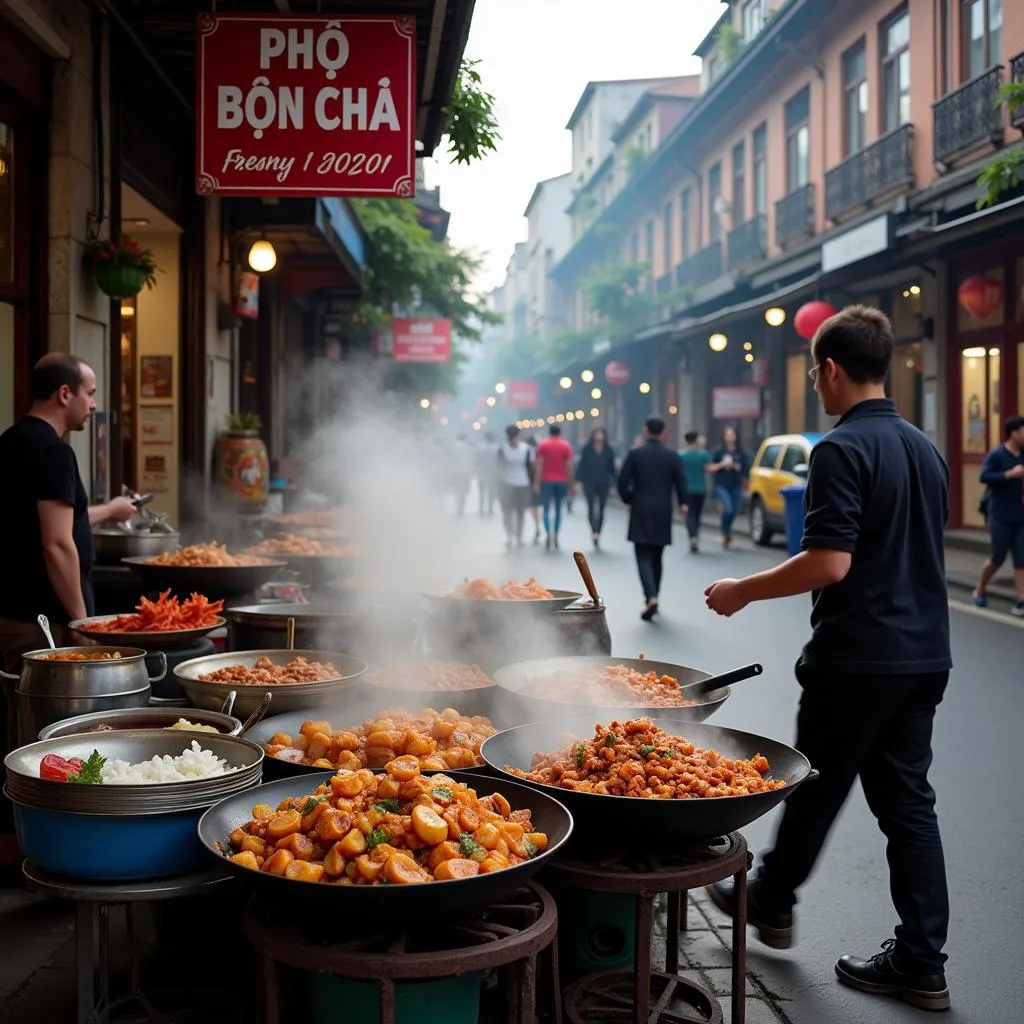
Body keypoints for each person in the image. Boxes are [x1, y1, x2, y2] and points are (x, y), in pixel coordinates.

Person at [704, 306, 952, 1013]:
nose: (817, 385)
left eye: (817, 373)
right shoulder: (924, 448)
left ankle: (774, 900)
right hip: (924, 656)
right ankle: (921, 961)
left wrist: (741, 591)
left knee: (815, 784)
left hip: (859, 658)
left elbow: (830, 562)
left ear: (831, 370)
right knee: (909, 807)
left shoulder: (841, 451)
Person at [0, 353, 137, 870]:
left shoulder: (10, 442)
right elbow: (58, 545)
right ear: (65, 394)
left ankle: (16, 843)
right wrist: (83, 624)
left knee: (15, 728)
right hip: (44, 624)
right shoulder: (54, 453)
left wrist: (105, 512)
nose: (94, 404)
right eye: (91, 393)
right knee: (52, 740)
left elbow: (58, 519)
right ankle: (51, 852)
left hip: (11, 615)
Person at [617, 416, 688, 621]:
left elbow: (623, 481)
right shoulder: (672, 456)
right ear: (663, 432)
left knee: (642, 555)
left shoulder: (636, 454)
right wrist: (683, 503)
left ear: (646, 431)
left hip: (641, 508)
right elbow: (681, 482)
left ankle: (650, 595)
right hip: (663, 510)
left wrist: (629, 499)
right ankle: (655, 593)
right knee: (658, 555)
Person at [972, 414, 1024, 616]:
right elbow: (984, 476)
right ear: (1014, 433)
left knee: (1021, 558)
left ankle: (1021, 599)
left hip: (1021, 517)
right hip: (1000, 515)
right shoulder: (997, 455)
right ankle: (980, 588)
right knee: (998, 557)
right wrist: (1009, 474)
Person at [534, 424, 575, 550]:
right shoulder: (565, 446)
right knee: (558, 509)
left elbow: (539, 464)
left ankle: (548, 533)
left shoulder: (542, 445)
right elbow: (569, 465)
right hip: (561, 481)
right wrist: (571, 483)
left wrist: (536, 482)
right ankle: (556, 534)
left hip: (546, 481)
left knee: (546, 509)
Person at [577, 427, 617, 550]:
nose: (599, 436)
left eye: (601, 434)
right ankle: (593, 530)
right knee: (590, 507)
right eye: (597, 434)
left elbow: (612, 469)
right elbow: (581, 466)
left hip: (603, 482)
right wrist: (578, 481)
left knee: (601, 508)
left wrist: (615, 484)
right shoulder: (587, 449)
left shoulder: (609, 450)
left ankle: (598, 532)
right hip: (589, 482)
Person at [708, 426, 747, 548]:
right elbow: (710, 467)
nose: (730, 437)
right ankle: (725, 532)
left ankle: (727, 530)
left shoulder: (740, 451)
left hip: (735, 484)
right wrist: (722, 465)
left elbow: (745, 467)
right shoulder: (718, 451)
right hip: (721, 484)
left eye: (732, 435)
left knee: (735, 510)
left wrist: (736, 466)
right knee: (728, 509)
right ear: (724, 437)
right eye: (727, 435)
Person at [497, 425, 534, 549]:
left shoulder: (526, 449)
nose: (513, 440)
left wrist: (534, 483)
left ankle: (519, 536)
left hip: (522, 484)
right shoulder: (503, 449)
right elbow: (498, 467)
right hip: (507, 483)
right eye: (510, 438)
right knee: (506, 512)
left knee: (520, 512)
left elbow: (532, 467)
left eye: (514, 437)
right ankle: (509, 534)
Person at [678, 431, 711, 553]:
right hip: (700, 489)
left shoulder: (681, 455)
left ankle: (692, 536)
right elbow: (709, 468)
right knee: (697, 514)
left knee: (689, 514)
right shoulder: (703, 455)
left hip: (686, 489)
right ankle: (695, 535)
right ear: (696, 440)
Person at [476, 431, 499, 517]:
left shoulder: (480, 447)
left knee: (481, 492)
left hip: (482, 472)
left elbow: (476, 460)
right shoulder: (497, 448)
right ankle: (490, 509)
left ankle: (481, 508)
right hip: (493, 472)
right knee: (491, 492)